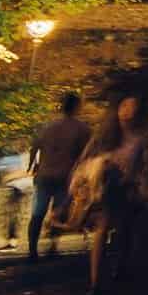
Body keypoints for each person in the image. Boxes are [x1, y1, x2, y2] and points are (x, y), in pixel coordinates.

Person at [80, 94, 148, 295]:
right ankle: (95, 282)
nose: (128, 110)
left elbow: (142, 167)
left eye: (133, 107)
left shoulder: (138, 140)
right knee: (102, 232)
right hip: (105, 188)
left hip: (126, 188)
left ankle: (118, 270)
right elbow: (86, 160)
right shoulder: (105, 136)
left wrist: (140, 184)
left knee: (123, 231)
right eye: (125, 105)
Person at [26, 91, 90, 259]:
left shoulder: (48, 127)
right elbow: (86, 154)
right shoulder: (82, 129)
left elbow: (34, 146)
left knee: (37, 213)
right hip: (65, 177)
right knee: (58, 212)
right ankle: (52, 246)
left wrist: (31, 166)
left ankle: (32, 250)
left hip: (44, 176)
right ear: (77, 107)